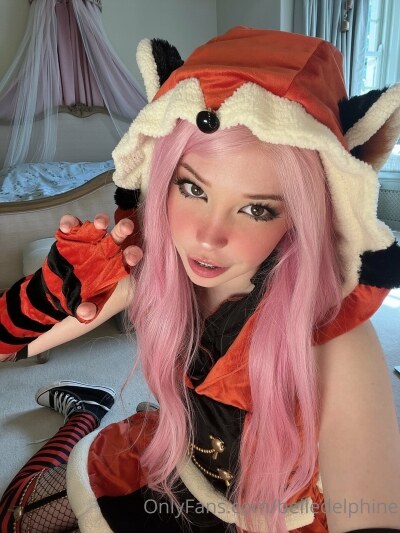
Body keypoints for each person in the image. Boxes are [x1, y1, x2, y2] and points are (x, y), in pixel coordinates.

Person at [1, 26, 400, 533]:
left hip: (275, 516)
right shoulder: (154, 268)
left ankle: (85, 410)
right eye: (192, 188)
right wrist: (45, 293)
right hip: (177, 456)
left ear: (301, 218)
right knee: (15, 517)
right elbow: (15, 349)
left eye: (256, 208)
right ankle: (85, 411)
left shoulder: (334, 337)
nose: (208, 238)